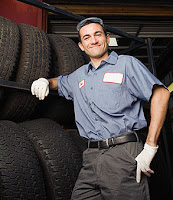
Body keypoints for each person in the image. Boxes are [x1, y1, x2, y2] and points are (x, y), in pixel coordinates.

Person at [31, 17, 170, 200]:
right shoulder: (79, 76)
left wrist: (150, 145)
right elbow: (60, 82)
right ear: (81, 46)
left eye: (97, 34)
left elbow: (161, 93)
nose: (93, 40)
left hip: (123, 154)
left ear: (107, 37)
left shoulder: (126, 64)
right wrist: (45, 81)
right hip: (90, 157)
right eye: (87, 37)